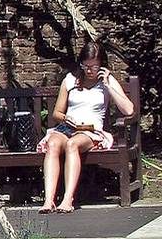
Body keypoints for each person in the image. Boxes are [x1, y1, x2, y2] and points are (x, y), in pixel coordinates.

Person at [37, 41, 134, 214]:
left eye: (94, 67)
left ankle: (67, 199)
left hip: (91, 131)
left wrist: (109, 86)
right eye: (85, 66)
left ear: (102, 65)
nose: (89, 71)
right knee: (52, 144)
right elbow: (56, 113)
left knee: (72, 145)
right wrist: (67, 118)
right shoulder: (70, 79)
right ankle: (48, 200)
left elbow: (128, 109)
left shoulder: (107, 81)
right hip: (68, 127)